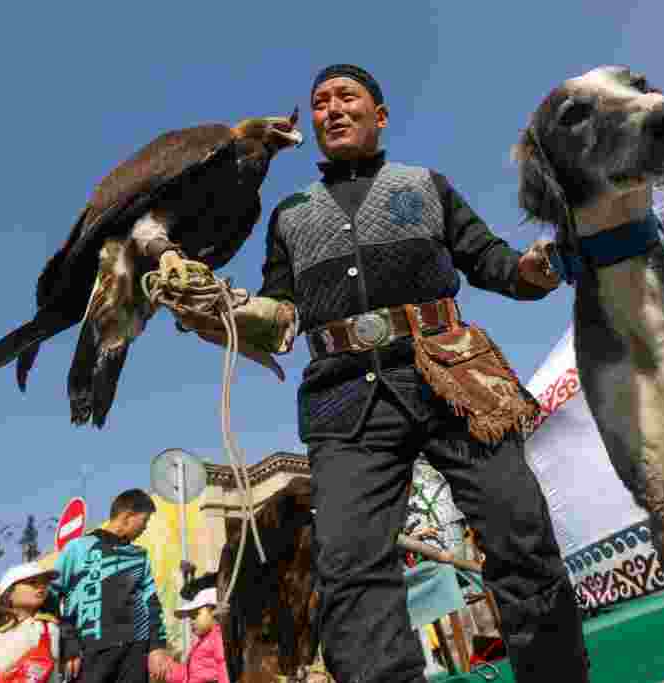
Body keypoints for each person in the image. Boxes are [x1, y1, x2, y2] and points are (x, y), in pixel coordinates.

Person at [255, 63, 590, 682]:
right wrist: (222, 312)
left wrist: (533, 269)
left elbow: (490, 261)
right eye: (320, 101)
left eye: (346, 97)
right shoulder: (289, 214)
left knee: (520, 537)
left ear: (379, 116)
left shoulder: (425, 184)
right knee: (351, 569)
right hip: (341, 400)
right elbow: (278, 308)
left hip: (454, 377)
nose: (331, 109)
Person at [45, 489, 173, 683]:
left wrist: (157, 647)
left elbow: (151, 603)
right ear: (127, 517)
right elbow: (50, 597)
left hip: (134, 653)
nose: (145, 527)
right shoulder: (78, 548)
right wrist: (68, 643)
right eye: (144, 520)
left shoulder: (139, 555)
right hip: (88, 653)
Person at [0, 562, 81, 683]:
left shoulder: (55, 628)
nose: (41, 587)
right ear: (9, 594)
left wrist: (70, 644)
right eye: (32, 582)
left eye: (44, 583)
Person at [166, 575, 228, 683]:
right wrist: (169, 672)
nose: (192, 621)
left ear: (214, 611)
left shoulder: (217, 638)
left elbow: (223, 666)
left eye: (196, 615)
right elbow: (189, 674)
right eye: (190, 617)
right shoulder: (201, 643)